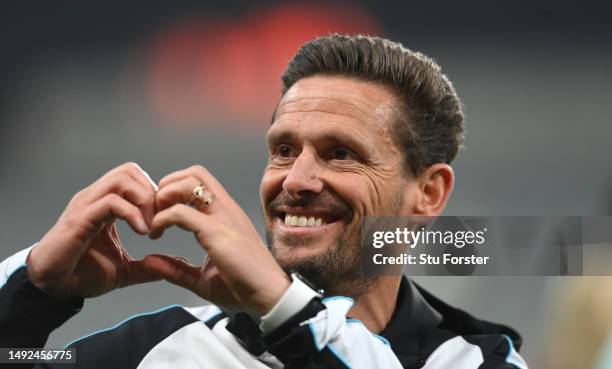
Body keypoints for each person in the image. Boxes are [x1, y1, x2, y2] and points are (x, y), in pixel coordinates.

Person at [0, 34, 528, 369]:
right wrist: (32, 293)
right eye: (283, 150)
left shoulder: (475, 361)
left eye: (339, 153)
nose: (295, 179)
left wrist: (281, 305)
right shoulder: (162, 348)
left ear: (428, 192)